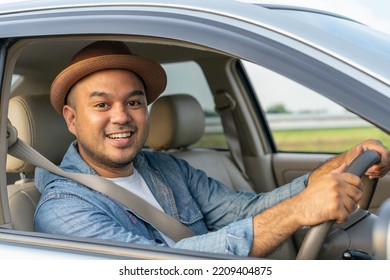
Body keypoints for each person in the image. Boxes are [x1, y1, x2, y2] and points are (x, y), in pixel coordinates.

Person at [34, 40, 390, 257]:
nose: (121, 117)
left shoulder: (166, 167)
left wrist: (342, 163)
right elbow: (165, 267)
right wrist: (298, 211)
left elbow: (245, 211)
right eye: (101, 105)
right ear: (71, 119)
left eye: (134, 102)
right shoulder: (63, 208)